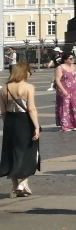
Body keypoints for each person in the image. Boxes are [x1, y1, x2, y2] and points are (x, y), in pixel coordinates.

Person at [0, 61, 40, 197]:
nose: (30, 74)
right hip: (24, 121)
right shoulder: (28, 87)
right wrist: (36, 127)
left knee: (11, 151)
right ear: (24, 72)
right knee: (29, 150)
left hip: (10, 121)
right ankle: (23, 183)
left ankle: (15, 185)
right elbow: (31, 109)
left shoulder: (5, 88)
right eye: (29, 71)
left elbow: (3, 111)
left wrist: (7, 124)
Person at [53, 51, 76, 131]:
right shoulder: (60, 68)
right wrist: (63, 90)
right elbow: (57, 80)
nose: (72, 60)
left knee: (75, 107)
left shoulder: (75, 66)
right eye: (70, 58)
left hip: (74, 90)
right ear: (65, 60)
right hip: (64, 91)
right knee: (65, 108)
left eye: (73, 58)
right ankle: (65, 125)